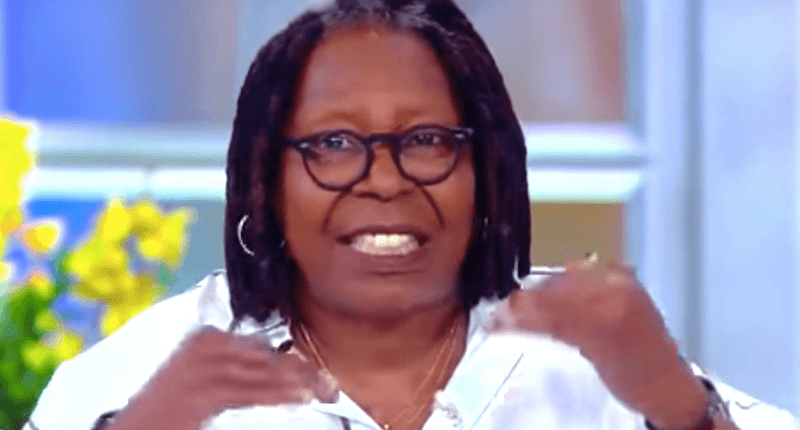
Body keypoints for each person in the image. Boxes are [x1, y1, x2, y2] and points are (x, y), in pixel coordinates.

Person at [23, 1, 799, 429]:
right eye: (334, 144)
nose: (386, 180)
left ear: (487, 172)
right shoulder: (151, 367)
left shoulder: (586, 355)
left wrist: (679, 408)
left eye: (427, 141)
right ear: (265, 179)